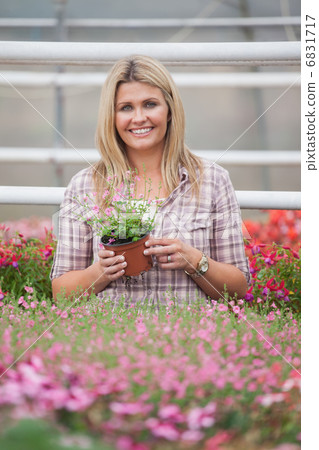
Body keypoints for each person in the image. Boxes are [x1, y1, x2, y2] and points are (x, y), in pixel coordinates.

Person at [51, 55, 249, 304]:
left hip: (192, 336)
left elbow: (238, 288)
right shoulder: (85, 186)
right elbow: (61, 294)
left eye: (150, 104)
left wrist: (195, 261)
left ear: (169, 110)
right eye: (126, 108)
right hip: (109, 336)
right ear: (111, 117)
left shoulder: (212, 181)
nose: (139, 118)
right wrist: (99, 273)